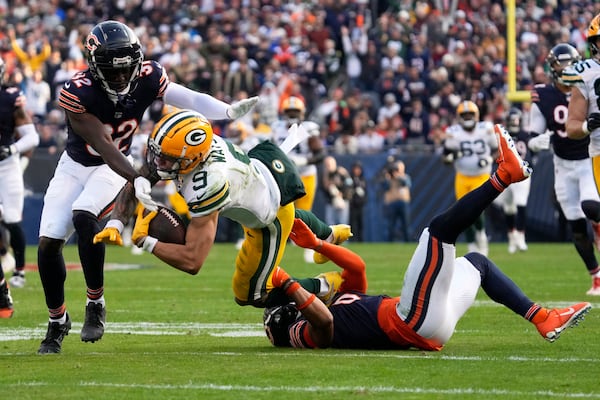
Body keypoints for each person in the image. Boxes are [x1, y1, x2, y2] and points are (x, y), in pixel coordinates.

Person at [36, 21, 259, 355]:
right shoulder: (77, 91)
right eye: (113, 71)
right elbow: (103, 142)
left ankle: (95, 303)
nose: (122, 78)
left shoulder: (149, 76)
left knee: (84, 216)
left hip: (110, 169)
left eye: (126, 69)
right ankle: (57, 321)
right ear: (96, 67)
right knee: (48, 244)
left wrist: (226, 111)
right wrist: (136, 176)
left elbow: (188, 97)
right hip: (80, 165)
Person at [264, 125, 592, 349]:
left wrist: (320, 244)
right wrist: (286, 282)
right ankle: (505, 175)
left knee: (478, 264)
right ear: (291, 312)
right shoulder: (302, 330)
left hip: (430, 324)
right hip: (412, 320)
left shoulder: (338, 302)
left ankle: (543, 318)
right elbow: (322, 327)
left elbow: (358, 271)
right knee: (437, 231)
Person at [93, 109, 351, 319]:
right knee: (280, 214)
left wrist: (146, 242)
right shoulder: (195, 149)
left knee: (250, 294)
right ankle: (328, 233)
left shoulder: (208, 182)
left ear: (193, 159)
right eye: (159, 154)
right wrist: (116, 222)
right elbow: (139, 178)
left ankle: (327, 286)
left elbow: (193, 261)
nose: (159, 164)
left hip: (269, 216)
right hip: (261, 174)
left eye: (168, 159)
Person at [556, 40, 600, 295]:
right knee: (585, 210)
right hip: (597, 153)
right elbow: (572, 126)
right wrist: (587, 126)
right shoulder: (584, 73)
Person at [0, 56, 40, 316]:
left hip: (6, 165)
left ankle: (19, 270)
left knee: (13, 219)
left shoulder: (10, 98)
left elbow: (32, 136)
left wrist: (12, 148)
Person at [270, 96, 327, 263]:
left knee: (304, 213)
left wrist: (305, 160)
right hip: (284, 174)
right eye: (289, 112)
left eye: (295, 112)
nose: (292, 115)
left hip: (305, 173)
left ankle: (310, 247)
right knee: (280, 211)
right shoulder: (277, 128)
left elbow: (320, 154)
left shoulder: (308, 128)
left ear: (302, 113)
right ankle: (277, 245)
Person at [442, 100, 498, 255]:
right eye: (464, 114)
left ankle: (481, 235)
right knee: (463, 212)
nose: (467, 117)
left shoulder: (485, 129)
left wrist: (489, 159)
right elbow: (445, 157)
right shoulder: (454, 132)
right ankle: (472, 245)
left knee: (477, 210)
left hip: (481, 176)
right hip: (462, 176)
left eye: (470, 114)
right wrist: (453, 156)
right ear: (458, 116)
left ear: (477, 115)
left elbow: (497, 150)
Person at [495, 107, 531, 253]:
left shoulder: (525, 135)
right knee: (508, 207)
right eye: (512, 120)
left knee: (521, 204)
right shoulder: (503, 135)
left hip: (522, 174)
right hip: (506, 174)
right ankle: (512, 236)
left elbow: (532, 152)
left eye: (516, 120)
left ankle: (521, 237)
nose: (515, 123)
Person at [381, 159, 412, 242]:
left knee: (405, 225)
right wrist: (388, 177)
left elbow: (406, 184)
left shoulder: (405, 177)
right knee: (391, 225)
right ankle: (390, 242)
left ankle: (407, 241)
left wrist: (398, 176)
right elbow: (385, 187)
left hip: (403, 203)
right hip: (392, 203)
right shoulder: (389, 179)